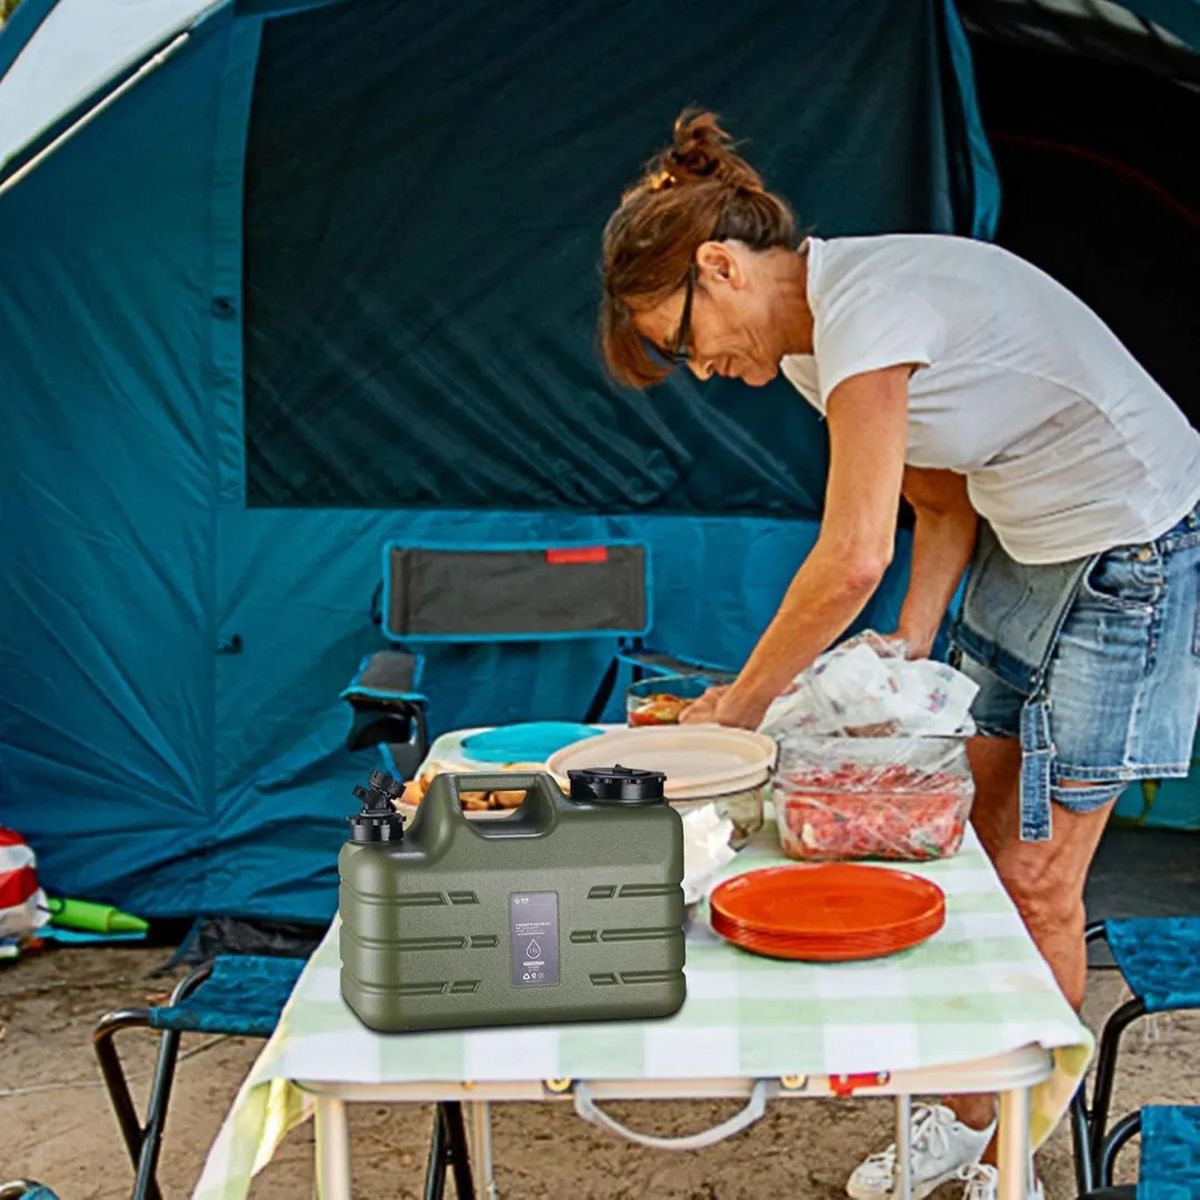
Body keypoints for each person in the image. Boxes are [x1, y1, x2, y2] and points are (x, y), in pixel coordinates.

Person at [598, 109, 1200, 1200]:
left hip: (1136, 549)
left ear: (720, 267)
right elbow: (939, 498)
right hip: (1027, 542)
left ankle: (1013, 1162)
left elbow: (853, 555)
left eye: (682, 340)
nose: (700, 368)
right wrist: (912, 644)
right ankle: (967, 1120)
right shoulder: (808, 355)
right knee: (965, 847)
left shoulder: (868, 308)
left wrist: (738, 709)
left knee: (1038, 881)